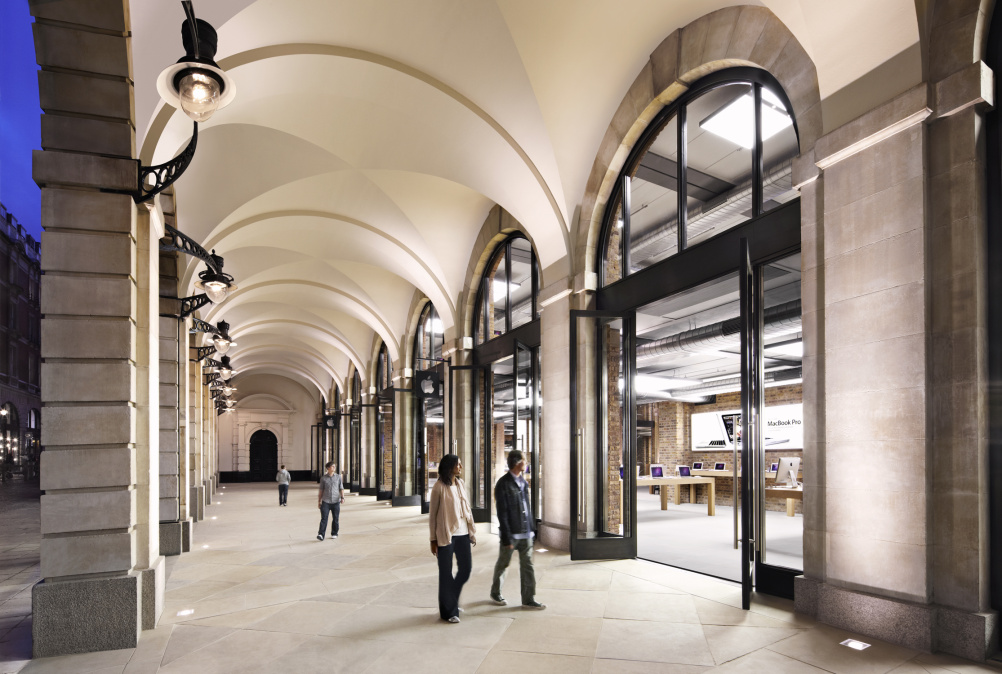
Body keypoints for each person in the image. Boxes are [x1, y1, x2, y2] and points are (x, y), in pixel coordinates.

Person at [490, 449, 545, 610]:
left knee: (528, 565)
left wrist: (533, 529)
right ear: (517, 463)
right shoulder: (503, 484)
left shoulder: (524, 482)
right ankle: (495, 592)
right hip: (511, 534)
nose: (526, 463)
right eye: (524, 460)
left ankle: (529, 599)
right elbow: (502, 512)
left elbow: (527, 507)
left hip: (526, 532)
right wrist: (506, 536)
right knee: (504, 563)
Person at [429, 453, 476, 623]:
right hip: (446, 536)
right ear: (450, 467)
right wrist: (432, 540)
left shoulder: (461, 483)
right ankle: (449, 612)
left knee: (465, 570)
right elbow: (432, 516)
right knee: (446, 574)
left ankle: (452, 600)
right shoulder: (439, 487)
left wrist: (471, 530)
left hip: (463, 534)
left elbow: (466, 508)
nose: (461, 467)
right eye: (458, 465)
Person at [317, 461, 344, 541]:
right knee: (324, 518)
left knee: (335, 518)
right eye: (332, 466)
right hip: (326, 501)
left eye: (334, 466)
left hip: (336, 501)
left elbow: (341, 488)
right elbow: (321, 490)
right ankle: (321, 534)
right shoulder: (323, 478)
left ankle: (334, 533)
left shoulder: (338, 477)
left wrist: (342, 497)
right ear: (328, 468)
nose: (334, 468)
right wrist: (319, 501)